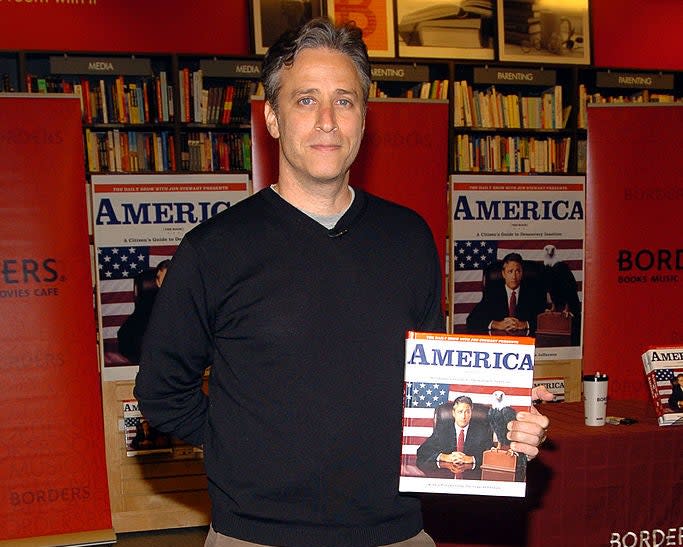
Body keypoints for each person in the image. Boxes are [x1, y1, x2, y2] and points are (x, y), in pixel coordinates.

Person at [134, 18, 552, 547]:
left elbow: (436, 388)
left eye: (345, 100)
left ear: (364, 117)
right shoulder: (214, 249)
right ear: (273, 118)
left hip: (396, 531)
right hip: (258, 535)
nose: (327, 121)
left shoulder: (409, 238)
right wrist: (242, 448)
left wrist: (505, 416)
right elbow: (161, 392)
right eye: (306, 100)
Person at [466, 252, 546, 334]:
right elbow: (471, 320)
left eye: (517, 271)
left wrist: (526, 324)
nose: (514, 276)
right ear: (503, 274)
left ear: (522, 273)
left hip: (525, 339)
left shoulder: (534, 292)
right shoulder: (492, 293)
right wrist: (496, 324)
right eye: (510, 271)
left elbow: (545, 321)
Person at [416, 396, 493, 479]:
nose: (464, 416)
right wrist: (444, 457)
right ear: (454, 413)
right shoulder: (442, 429)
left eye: (467, 412)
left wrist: (472, 459)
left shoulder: (482, 431)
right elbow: (422, 451)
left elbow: (492, 456)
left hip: (471, 478)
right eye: (460, 412)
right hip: (446, 477)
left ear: (471, 413)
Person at [117, 259, 171, 362]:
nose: (160, 282)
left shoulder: (184, 297)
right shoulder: (147, 300)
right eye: (158, 278)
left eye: (166, 277)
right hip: (147, 349)